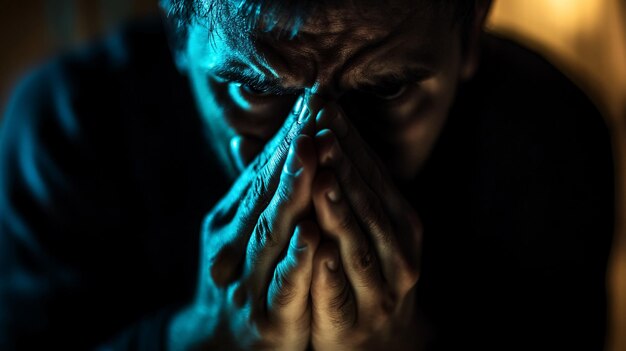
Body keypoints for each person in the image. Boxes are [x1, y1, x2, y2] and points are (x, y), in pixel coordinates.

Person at [0, 0, 614, 350]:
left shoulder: (547, 137)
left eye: (390, 88)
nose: (312, 153)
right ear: (178, 31)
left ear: (471, 33)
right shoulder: (68, 131)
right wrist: (204, 339)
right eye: (253, 89)